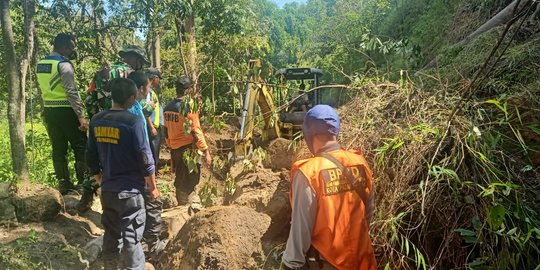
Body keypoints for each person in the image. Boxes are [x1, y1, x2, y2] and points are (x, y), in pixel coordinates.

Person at [281, 105, 376, 270]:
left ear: (309, 134)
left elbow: (301, 228)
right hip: (364, 262)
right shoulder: (360, 163)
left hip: (329, 263)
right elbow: (367, 215)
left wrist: (290, 263)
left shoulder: (309, 172)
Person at [86, 78, 158, 270]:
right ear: (131, 98)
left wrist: (101, 181)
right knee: (132, 239)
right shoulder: (133, 122)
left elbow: (90, 155)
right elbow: (145, 158)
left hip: (108, 191)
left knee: (111, 235)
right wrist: (153, 188)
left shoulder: (96, 120)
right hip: (131, 192)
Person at [78, 44, 151, 212]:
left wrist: (97, 118)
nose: (141, 64)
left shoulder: (102, 71)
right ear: (134, 58)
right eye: (140, 60)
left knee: (99, 158)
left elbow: (90, 98)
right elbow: (135, 105)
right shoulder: (131, 76)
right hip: (124, 125)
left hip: (101, 123)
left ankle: (87, 195)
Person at [36, 33, 88, 195]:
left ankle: (64, 184)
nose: (72, 51)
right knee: (80, 146)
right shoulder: (64, 65)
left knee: (58, 148)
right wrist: (81, 116)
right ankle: (83, 184)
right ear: (64, 47)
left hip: (49, 111)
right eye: (71, 47)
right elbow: (71, 92)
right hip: (66, 110)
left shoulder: (41, 64)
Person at [127, 71, 165, 260]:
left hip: (122, 171)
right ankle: (153, 245)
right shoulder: (135, 113)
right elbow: (142, 150)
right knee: (153, 201)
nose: (150, 89)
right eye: (148, 87)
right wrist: (152, 183)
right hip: (139, 168)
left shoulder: (126, 108)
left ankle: (138, 243)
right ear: (141, 88)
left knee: (136, 206)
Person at [163, 76, 212, 208]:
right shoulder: (188, 108)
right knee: (192, 177)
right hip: (188, 149)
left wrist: (170, 145)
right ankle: (188, 205)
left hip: (174, 149)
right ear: (188, 90)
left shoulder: (167, 107)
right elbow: (196, 131)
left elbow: (165, 130)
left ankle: (182, 202)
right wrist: (206, 151)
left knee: (180, 176)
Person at [145, 68, 164, 167]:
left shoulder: (151, 91)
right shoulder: (148, 92)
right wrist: (152, 127)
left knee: (154, 153)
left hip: (154, 126)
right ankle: (151, 178)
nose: (159, 81)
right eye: (158, 78)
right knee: (152, 154)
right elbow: (146, 112)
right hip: (151, 128)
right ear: (154, 78)